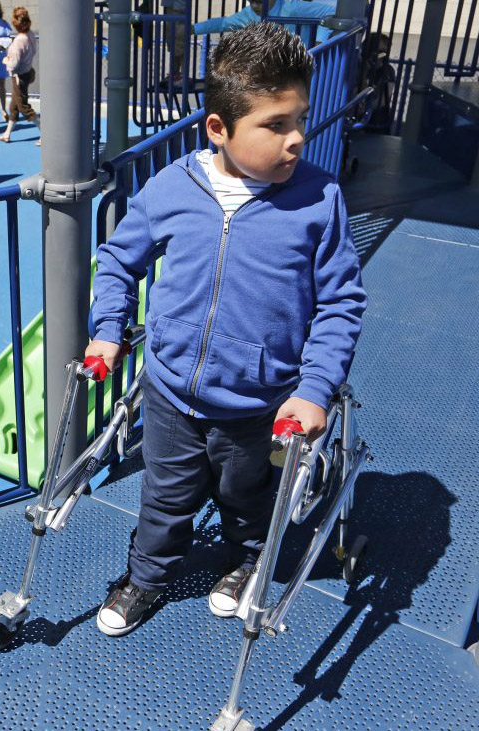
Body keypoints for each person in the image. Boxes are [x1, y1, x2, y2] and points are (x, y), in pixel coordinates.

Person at [86, 23, 367, 637]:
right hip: (171, 392)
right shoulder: (170, 189)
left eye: (300, 119)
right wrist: (108, 328)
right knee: (165, 495)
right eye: (275, 124)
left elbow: (341, 302)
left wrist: (315, 388)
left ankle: (245, 561)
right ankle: (146, 578)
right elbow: (116, 260)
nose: (296, 139)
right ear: (219, 128)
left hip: (256, 400)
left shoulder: (319, 200)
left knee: (246, 496)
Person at [193, 0, 337, 46]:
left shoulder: (292, 7)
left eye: (260, 1)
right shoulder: (248, 14)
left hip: (304, 65)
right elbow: (221, 23)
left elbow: (331, 12)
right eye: (252, 1)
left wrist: (319, 43)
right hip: (277, 67)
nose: (256, 6)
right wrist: (192, 29)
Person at [0, 6, 39, 145]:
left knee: (23, 107)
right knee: (14, 107)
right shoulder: (31, 35)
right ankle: (7, 134)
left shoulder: (18, 41)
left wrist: (6, 60)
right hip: (27, 72)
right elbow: (32, 52)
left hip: (19, 77)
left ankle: (45, 133)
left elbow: (13, 65)